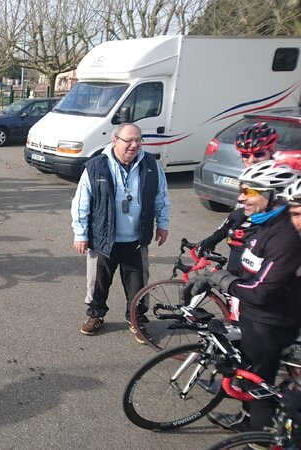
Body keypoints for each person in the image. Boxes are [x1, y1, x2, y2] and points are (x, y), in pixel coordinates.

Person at [181, 161, 301, 433]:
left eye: (250, 191)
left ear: (273, 195)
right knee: (247, 375)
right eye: (242, 189)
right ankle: (251, 419)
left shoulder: (284, 238)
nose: (240, 197)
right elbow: (243, 268)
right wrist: (210, 277)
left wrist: (221, 280)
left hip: (270, 322)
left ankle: (257, 435)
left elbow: (260, 291)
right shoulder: (261, 224)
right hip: (252, 316)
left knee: (257, 384)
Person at [70, 123, 170, 339]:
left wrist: (162, 224)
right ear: (115, 141)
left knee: (138, 284)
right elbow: (81, 203)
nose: (134, 145)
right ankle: (96, 315)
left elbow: (161, 196)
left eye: (138, 140)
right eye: (129, 140)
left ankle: (136, 320)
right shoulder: (96, 166)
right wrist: (81, 233)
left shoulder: (151, 165)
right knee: (97, 282)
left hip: (136, 239)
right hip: (103, 238)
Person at [195, 122, 279, 274]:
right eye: (245, 155)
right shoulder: (247, 178)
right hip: (240, 247)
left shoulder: (280, 181)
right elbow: (238, 213)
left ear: (271, 152)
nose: (251, 160)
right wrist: (214, 238)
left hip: (264, 253)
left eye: (259, 154)